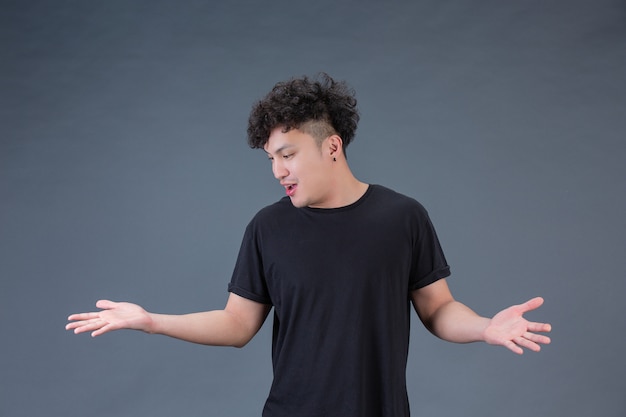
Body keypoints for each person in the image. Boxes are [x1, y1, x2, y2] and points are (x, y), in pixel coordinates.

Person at [66, 73, 552, 417]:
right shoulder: (267, 229)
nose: (277, 170)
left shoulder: (403, 217)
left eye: (287, 154)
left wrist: (487, 327)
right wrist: (151, 322)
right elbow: (237, 324)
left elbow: (438, 310)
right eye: (270, 158)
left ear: (332, 147)